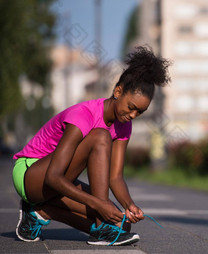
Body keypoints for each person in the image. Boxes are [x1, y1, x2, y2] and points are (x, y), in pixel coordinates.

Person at [12, 46, 171, 246]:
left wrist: (129, 205)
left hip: (57, 180)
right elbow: (54, 176)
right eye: (131, 107)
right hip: (31, 175)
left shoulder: (124, 126)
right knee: (101, 137)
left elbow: (115, 177)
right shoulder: (83, 115)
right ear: (118, 91)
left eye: (140, 112)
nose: (132, 116)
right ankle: (99, 229)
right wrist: (99, 204)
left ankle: (40, 212)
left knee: (121, 225)